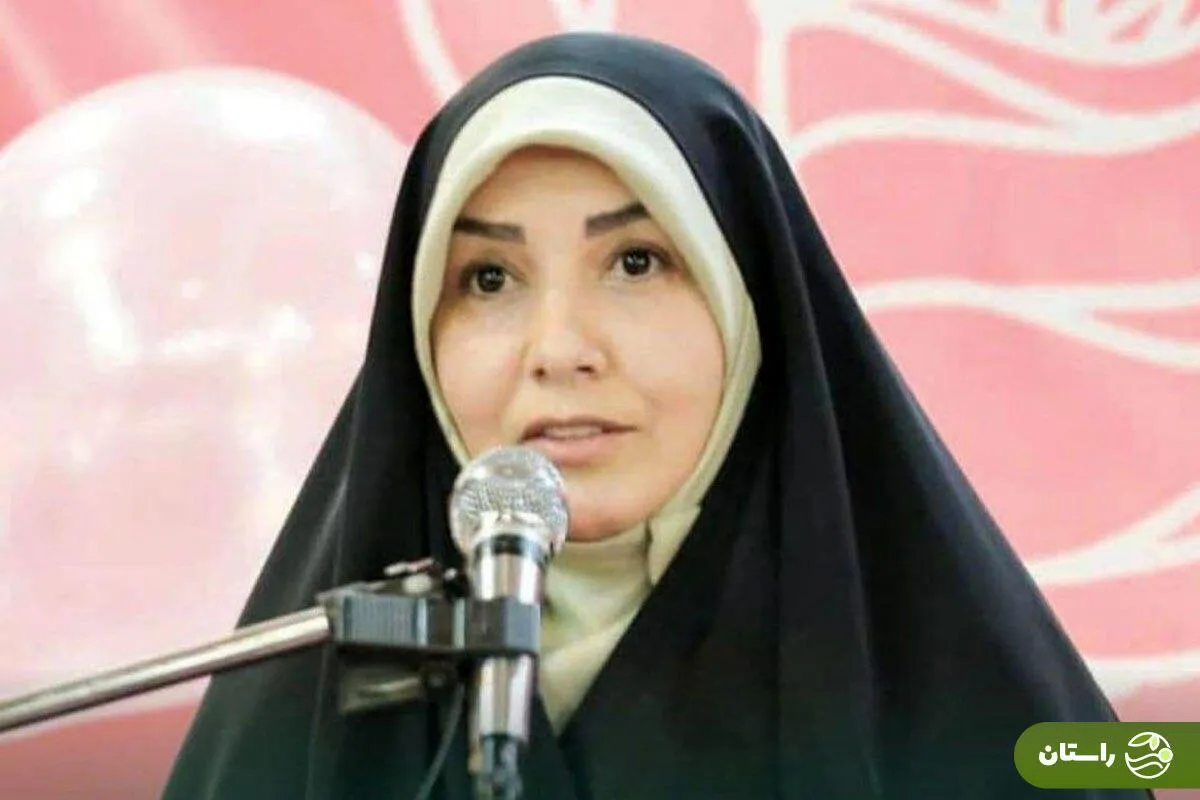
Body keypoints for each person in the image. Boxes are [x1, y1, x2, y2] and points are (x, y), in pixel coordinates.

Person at [163, 32, 1146, 799]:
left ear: (749, 305)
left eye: (635, 262)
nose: (559, 348)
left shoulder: (980, 706)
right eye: (490, 277)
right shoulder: (308, 692)